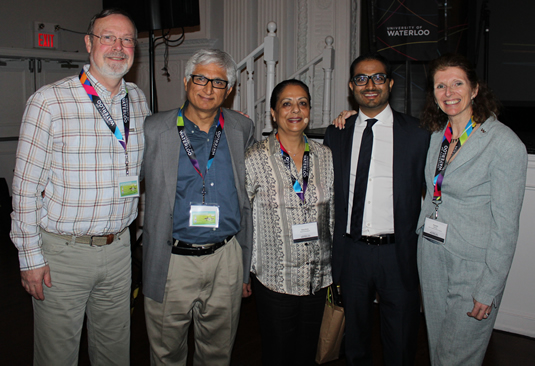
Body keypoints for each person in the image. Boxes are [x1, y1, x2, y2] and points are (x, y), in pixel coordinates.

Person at [10, 8, 150, 365]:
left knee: (114, 352)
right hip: (63, 256)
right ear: (89, 43)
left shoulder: (137, 99)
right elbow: (25, 188)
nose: (118, 47)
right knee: (58, 356)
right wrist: (30, 258)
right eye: (108, 37)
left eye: (126, 39)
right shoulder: (49, 102)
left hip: (119, 250)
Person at [142, 48, 255, 365]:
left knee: (218, 353)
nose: (208, 89)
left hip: (226, 258)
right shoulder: (153, 129)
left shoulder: (241, 128)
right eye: (201, 79)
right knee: (166, 353)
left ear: (229, 90)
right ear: (186, 81)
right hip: (172, 260)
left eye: (218, 83)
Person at [417, 53, 527, 365]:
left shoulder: (505, 145)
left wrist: (489, 288)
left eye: (457, 83)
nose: (448, 92)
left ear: (475, 89)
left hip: (473, 266)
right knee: (438, 350)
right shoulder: (438, 136)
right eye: (440, 86)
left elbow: (506, 227)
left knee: (458, 357)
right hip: (431, 254)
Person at [324, 53, 429, 365]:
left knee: (400, 340)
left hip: (398, 253)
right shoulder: (337, 133)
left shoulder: (418, 133)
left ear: (390, 83)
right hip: (352, 252)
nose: (370, 85)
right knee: (354, 340)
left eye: (378, 77)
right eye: (361, 78)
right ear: (351, 86)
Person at [245, 79, 334, 365]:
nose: (295, 110)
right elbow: (244, 217)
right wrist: (244, 271)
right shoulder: (254, 157)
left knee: (307, 352)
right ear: (273, 112)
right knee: (278, 352)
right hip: (275, 278)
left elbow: (333, 213)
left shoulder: (326, 156)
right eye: (287, 103)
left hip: (317, 276)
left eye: (303, 103)